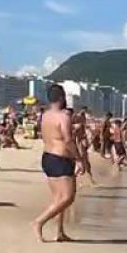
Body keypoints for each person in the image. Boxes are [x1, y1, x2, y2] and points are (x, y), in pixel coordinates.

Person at [32, 85, 85, 243]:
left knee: (58, 198)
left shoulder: (45, 115)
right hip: (61, 158)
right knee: (68, 197)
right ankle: (39, 222)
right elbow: (68, 140)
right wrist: (79, 159)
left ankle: (60, 232)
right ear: (62, 98)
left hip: (47, 156)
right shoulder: (63, 116)